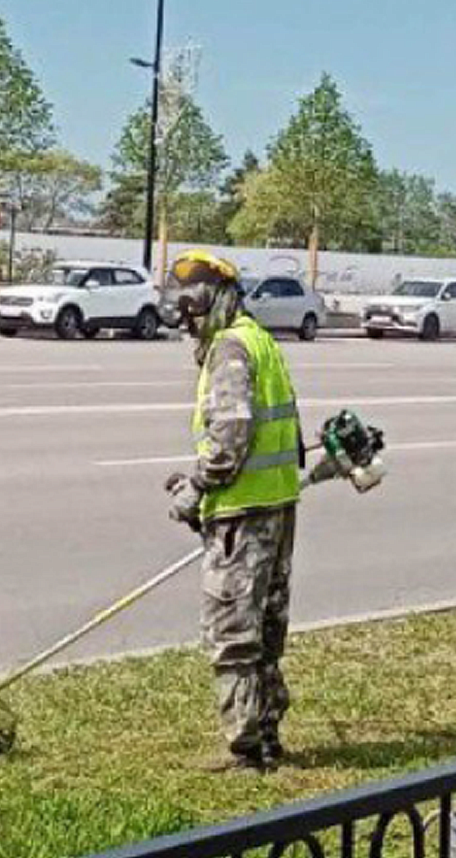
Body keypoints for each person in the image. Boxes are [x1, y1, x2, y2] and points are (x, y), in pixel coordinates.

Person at [163, 249, 302, 772]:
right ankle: (267, 735)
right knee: (265, 632)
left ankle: (246, 747)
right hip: (275, 505)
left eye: (194, 309)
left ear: (217, 300)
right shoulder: (258, 339)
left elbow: (230, 433)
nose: (188, 321)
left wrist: (197, 486)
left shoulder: (230, 348)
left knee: (233, 633)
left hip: (243, 514)